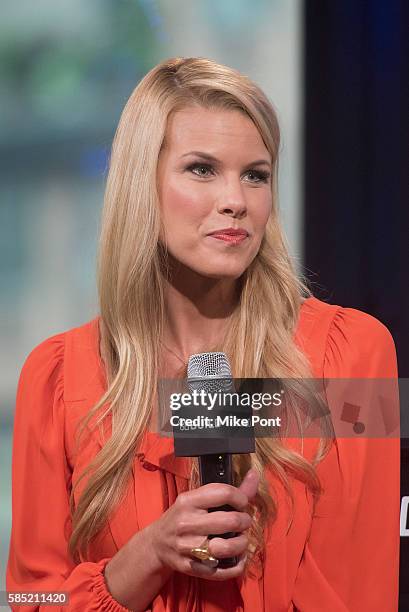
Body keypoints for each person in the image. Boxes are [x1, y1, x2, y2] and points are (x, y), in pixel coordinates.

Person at [6, 57, 400, 611]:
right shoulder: (54, 376)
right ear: (143, 184)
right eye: (201, 169)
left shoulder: (354, 353)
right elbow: (30, 599)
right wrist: (148, 554)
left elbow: (362, 590)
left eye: (255, 175)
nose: (235, 199)